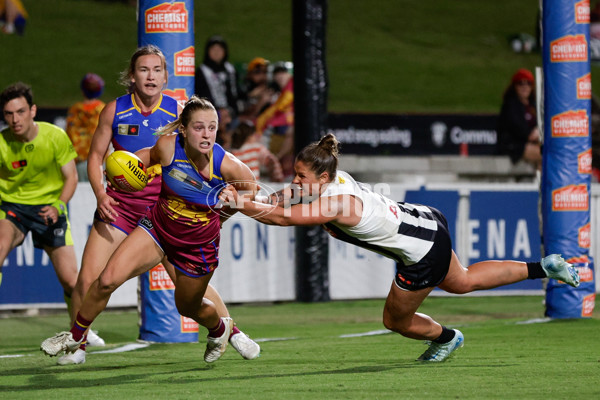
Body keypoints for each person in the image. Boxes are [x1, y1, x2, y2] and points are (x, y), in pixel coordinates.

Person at [219, 133, 580, 362]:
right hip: (427, 223)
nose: (294, 181)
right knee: (463, 281)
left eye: (301, 176)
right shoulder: (332, 177)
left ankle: (447, 337)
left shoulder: (337, 203)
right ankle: (543, 267)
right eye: (295, 173)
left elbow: (282, 218)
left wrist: (240, 205)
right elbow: (283, 200)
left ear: (324, 179)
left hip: (423, 254)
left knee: (394, 320)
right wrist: (252, 197)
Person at [57, 45, 259, 365]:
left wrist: (212, 202)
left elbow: (199, 159)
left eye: (156, 70)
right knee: (90, 279)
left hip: (162, 209)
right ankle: (77, 347)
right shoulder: (114, 110)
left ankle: (234, 333)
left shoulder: (179, 113)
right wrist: (101, 195)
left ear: (165, 77)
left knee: (187, 284)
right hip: (119, 206)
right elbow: (96, 157)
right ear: (132, 76)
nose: (150, 76)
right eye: (143, 70)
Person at [0, 82, 78, 326]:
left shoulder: (55, 136)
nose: (15, 119)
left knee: (71, 281)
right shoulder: (1, 143)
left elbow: (71, 178)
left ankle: (80, 330)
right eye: (9, 114)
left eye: (20, 112)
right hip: (13, 208)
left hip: (50, 208)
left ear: (33, 111)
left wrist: (59, 205)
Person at [496, 68, 541, 170]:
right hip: (514, 146)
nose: (525, 87)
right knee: (546, 155)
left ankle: (541, 183)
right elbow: (521, 130)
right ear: (515, 86)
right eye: (521, 83)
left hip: (531, 143)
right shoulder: (511, 106)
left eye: (528, 83)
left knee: (549, 152)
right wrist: (535, 133)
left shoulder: (533, 106)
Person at [255, 63, 295, 178]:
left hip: (286, 128)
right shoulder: (272, 93)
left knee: (290, 134)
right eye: (277, 75)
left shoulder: (292, 90)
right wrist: (263, 100)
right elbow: (257, 113)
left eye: (283, 74)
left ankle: (277, 160)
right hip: (273, 130)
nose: (280, 77)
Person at [65, 73, 106, 182]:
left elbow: (69, 135)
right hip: (100, 163)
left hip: (78, 162)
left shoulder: (74, 110)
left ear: (83, 91)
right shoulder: (104, 110)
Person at [194, 35, 240, 118]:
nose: (216, 52)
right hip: (209, 112)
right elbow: (201, 95)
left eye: (219, 49)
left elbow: (235, 92)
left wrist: (231, 111)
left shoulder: (230, 70)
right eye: (213, 49)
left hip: (230, 112)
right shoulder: (202, 71)